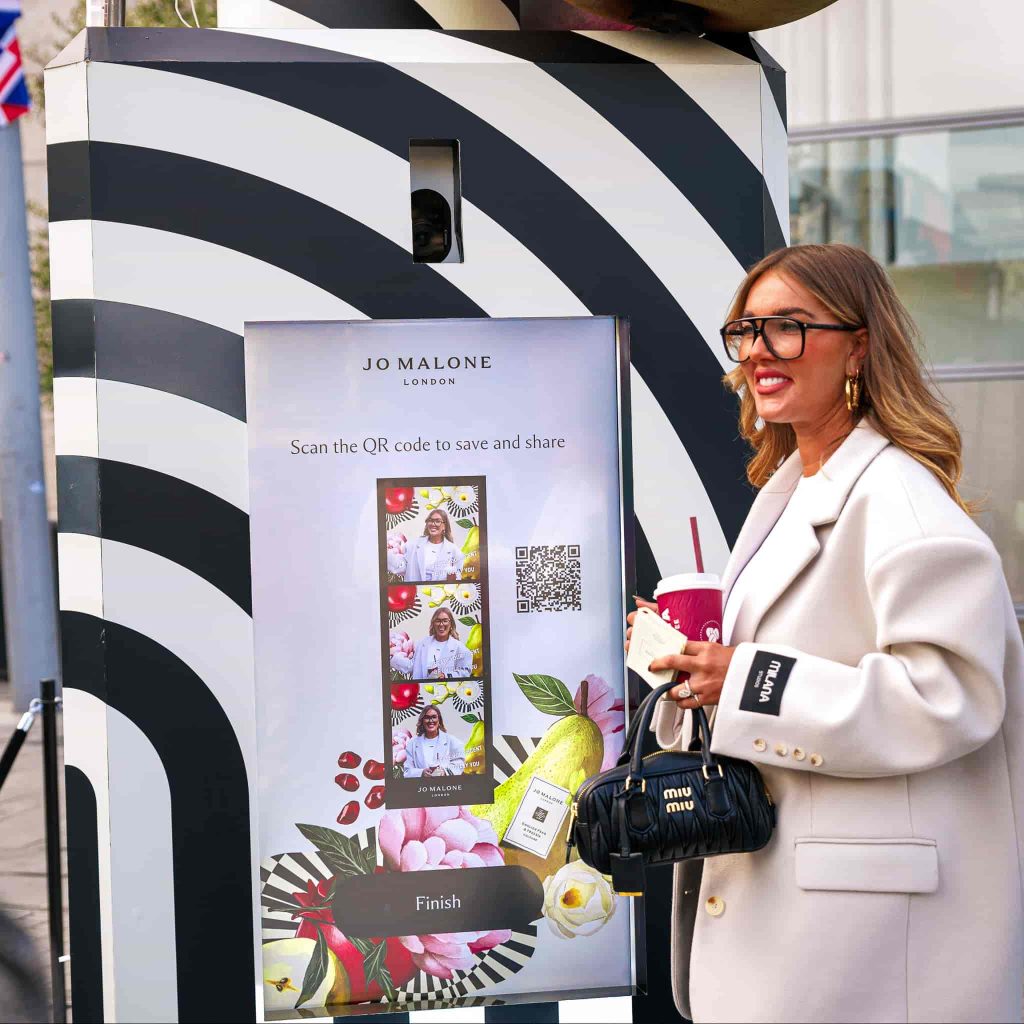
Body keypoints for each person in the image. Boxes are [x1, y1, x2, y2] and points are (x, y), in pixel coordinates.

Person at [628, 243, 1024, 1023]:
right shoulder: (793, 493)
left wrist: (741, 677)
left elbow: (950, 696)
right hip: (809, 922)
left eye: (790, 327)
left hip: (868, 946)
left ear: (861, 343)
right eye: (747, 330)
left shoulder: (903, 507)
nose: (759, 353)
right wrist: (691, 668)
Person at [393, 608, 474, 680]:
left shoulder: (459, 647)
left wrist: (445, 676)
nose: (441, 624)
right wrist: (391, 658)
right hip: (423, 692)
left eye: (445, 620)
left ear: (451, 624)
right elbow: (413, 666)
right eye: (438, 621)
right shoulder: (423, 643)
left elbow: (466, 671)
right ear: (433, 623)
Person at [402, 707, 465, 778]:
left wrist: (444, 771)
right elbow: (407, 771)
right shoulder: (412, 743)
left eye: (434, 717)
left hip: (446, 786)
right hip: (422, 787)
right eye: (427, 717)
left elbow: (459, 764)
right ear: (422, 720)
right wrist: (421, 773)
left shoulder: (452, 741)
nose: (431, 720)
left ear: (439, 720)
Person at [404, 508, 465, 582]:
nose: (433, 524)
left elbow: (458, 578)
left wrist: (452, 578)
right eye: (431, 520)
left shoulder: (453, 550)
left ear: (444, 526)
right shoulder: (413, 544)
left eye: (438, 521)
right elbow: (401, 566)